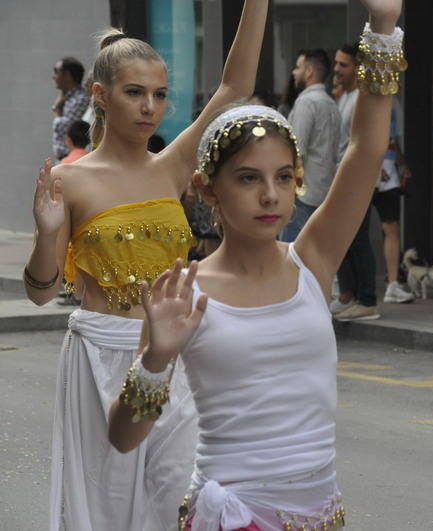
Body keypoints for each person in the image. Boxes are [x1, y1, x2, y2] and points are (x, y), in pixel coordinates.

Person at [107, 2, 403, 528]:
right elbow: (123, 436)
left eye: (284, 178)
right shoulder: (182, 293)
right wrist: (155, 360)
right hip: (233, 516)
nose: (270, 196)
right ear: (207, 189)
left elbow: (365, 148)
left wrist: (381, 30)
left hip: (321, 513)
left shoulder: (312, 262)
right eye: (248, 178)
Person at [27, 2, 269, 529]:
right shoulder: (72, 180)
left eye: (160, 94)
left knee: (177, 499)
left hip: (171, 355)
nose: (150, 108)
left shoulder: (172, 166)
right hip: (99, 357)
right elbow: (42, 291)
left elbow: (236, 85)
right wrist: (49, 234)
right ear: (101, 96)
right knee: (107, 510)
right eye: (134, 93)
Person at [330, 41, 381, 321]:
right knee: (346, 238)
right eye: (336, 63)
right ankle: (349, 295)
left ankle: (368, 300)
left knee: (358, 239)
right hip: (342, 177)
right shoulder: (345, 96)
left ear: (358, 68)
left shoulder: (362, 97)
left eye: (343, 65)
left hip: (357, 180)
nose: (337, 70)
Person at [280, 49, 341, 242]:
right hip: (325, 191)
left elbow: (296, 151)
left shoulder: (307, 102)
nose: (294, 73)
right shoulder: (331, 104)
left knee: (290, 257)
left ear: (309, 71)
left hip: (304, 196)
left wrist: (286, 187)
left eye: (298, 67)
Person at [374, 96, 414, 303]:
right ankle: (341, 284)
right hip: (365, 171)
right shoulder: (361, 95)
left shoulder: (394, 101)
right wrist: (373, 165)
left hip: (389, 171)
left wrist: (401, 163)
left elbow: (393, 138)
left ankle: (393, 283)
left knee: (392, 227)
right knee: (352, 230)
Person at [52, 56, 91, 161]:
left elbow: (66, 128)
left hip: (73, 159)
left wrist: (56, 109)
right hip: (65, 158)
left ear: (67, 75)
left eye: (56, 72)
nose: (53, 77)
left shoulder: (80, 99)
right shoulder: (67, 98)